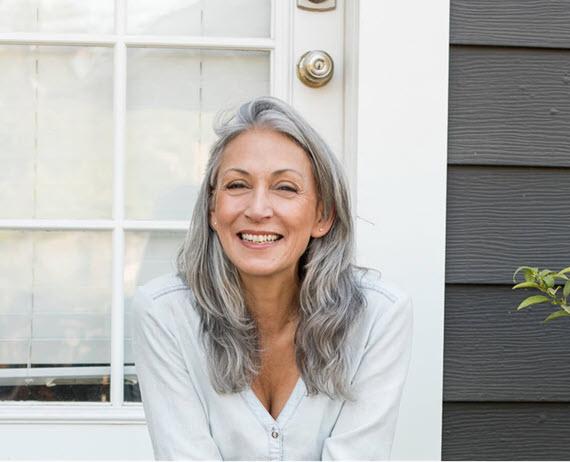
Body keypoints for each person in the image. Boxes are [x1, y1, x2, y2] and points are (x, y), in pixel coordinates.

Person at [132, 96, 413, 461]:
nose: (258, 209)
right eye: (236, 186)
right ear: (213, 210)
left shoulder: (379, 316)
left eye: (285, 188)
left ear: (322, 215)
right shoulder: (164, 313)